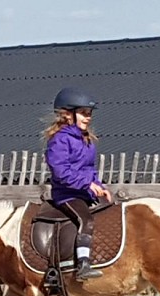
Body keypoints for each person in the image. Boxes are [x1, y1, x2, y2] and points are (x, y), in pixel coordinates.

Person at [42, 86, 113, 282]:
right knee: (86, 220)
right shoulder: (59, 140)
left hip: (84, 191)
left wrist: (100, 186)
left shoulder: (86, 140)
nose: (88, 118)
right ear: (67, 114)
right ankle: (82, 264)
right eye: (83, 113)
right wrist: (87, 184)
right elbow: (61, 172)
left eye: (89, 113)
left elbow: (89, 169)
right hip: (67, 194)